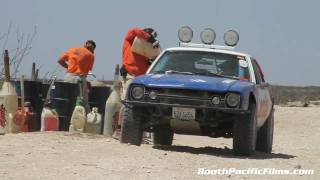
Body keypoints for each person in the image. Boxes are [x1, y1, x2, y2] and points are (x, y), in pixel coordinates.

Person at [120, 27, 159, 99]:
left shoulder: (146, 50)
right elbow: (134, 30)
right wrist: (149, 38)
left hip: (142, 79)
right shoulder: (130, 39)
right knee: (126, 99)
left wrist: (152, 61)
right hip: (130, 75)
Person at [58, 40, 96, 113]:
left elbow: (60, 60)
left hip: (68, 77)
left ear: (85, 45)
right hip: (80, 79)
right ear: (93, 49)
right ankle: (88, 121)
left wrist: (69, 67)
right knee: (83, 103)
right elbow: (87, 71)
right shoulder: (91, 55)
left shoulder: (72, 49)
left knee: (66, 100)